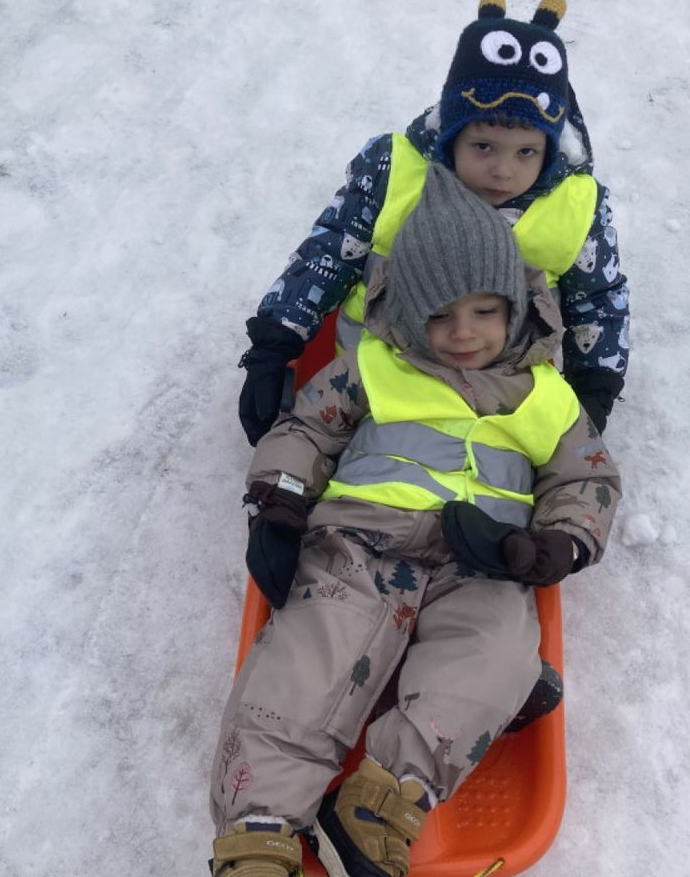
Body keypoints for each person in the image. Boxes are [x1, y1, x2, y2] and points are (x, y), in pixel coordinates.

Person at [211, 165, 621, 877]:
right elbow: (307, 429)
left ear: (518, 308)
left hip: (486, 561)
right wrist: (279, 499)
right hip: (359, 543)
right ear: (403, 312)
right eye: (438, 314)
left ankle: (382, 801)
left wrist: (555, 545)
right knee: (312, 658)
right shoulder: (371, 367)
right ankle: (261, 822)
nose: (462, 334)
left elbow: (586, 476)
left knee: (493, 660)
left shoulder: (548, 399)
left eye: (484, 311)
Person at [238, 0, 630, 449]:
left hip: (501, 398)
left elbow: (598, 300)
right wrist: (275, 344)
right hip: (370, 378)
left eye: (527, 151)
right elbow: (330, 252)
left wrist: (593, 390)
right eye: (483, 146)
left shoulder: (576, 206)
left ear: (548, 149)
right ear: (451, 134)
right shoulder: (397, 172)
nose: (503, 170)